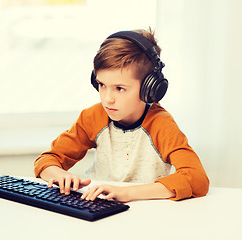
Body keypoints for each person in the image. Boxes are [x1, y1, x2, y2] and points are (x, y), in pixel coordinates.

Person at [34, 28, 209, 202]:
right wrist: (57, 174)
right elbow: (47, 160)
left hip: (144, 211)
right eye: (101, 85)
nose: (107, 99)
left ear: (150, 88)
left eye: (120, 88)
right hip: (96, 205)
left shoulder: (161, 124)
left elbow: (196, 178)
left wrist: (128, 193)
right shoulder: (93, 117)